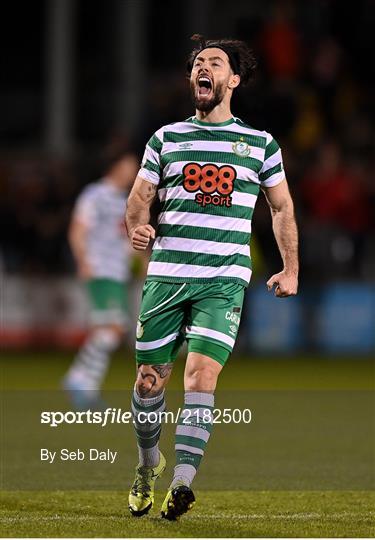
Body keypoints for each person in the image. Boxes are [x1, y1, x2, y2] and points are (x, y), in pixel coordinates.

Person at [125, 35, 299, 520]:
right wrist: (137, 227)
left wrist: (291, 267)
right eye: (198, 63)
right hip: (167, 277)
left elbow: (281, 207)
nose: (204, 68)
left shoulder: (261, 144)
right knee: (148, 383)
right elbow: (140, 199)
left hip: (222, 281)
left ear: (233, 79)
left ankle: (182, 483)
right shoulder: (166, 138)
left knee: (201, 377)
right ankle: (146, 468)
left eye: (215, 63)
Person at [62, 147, 139, 409]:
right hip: (100, 269)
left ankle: (84, 384)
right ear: (116, 166)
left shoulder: (123, 200)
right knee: (113, 329)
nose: (134, 171)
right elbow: (77, 229)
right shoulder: (95, 194)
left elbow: (128, 241)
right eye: (130, 166)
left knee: (106, 330)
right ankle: (79, 380)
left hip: (116, 272)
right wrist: (83, 260)